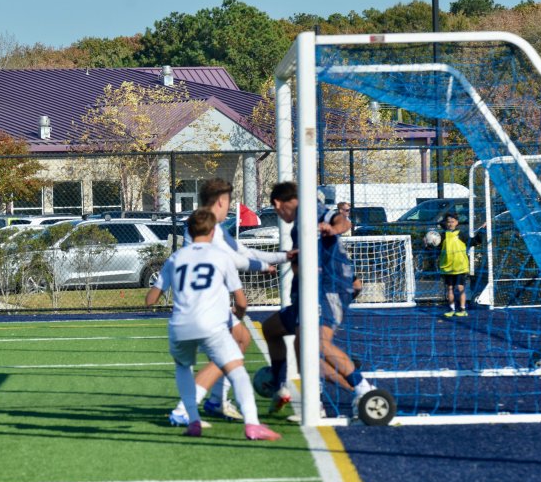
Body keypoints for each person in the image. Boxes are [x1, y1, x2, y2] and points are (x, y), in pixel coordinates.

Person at [146, 208, 281, 440]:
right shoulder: (221, 258)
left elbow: (150, 300)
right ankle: (252, 425)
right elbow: (240, 301)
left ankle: (193, 419)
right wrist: (238, 314)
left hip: (179, 326)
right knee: (237, 369)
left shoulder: (175, 258)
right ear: (212, 232)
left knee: (183, 368)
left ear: (188, 231)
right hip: (210, 325)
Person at [168, 178, 293, 427]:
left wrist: (283, 257)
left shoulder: (214, 226)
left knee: (241, 340)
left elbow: (244, 252)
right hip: (204, 306)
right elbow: (236, 260)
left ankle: (216, 399)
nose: (230, 209)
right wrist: (263, 266)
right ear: (221, 201)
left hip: (209, 302)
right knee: (228, 353)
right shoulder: (207, 229)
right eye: (228, 203)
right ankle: (186, 408)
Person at [261, 182, 374, 418]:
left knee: (315, 343)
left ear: (277, 204)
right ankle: (284, 386)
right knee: (273, 329)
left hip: (327, 289)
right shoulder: (298, 227)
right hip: (308, 292)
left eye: (276, 211)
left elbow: (343, 221)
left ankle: (364, 389)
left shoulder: (311, 210)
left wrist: (333, 229)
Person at [431, 212, 479, 317]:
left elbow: (474, 242)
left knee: (460, 288)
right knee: (450, 288)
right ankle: (451, 309)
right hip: (447, 267)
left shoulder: (462, 234)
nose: (450, 224)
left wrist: (481, 232)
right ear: (446, 223)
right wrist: (428, 243)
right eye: (448, 222)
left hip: (460, 266)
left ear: (457, 222)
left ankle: (462, 309)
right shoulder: (442, 236)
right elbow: (435, 249)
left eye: (452, 222)